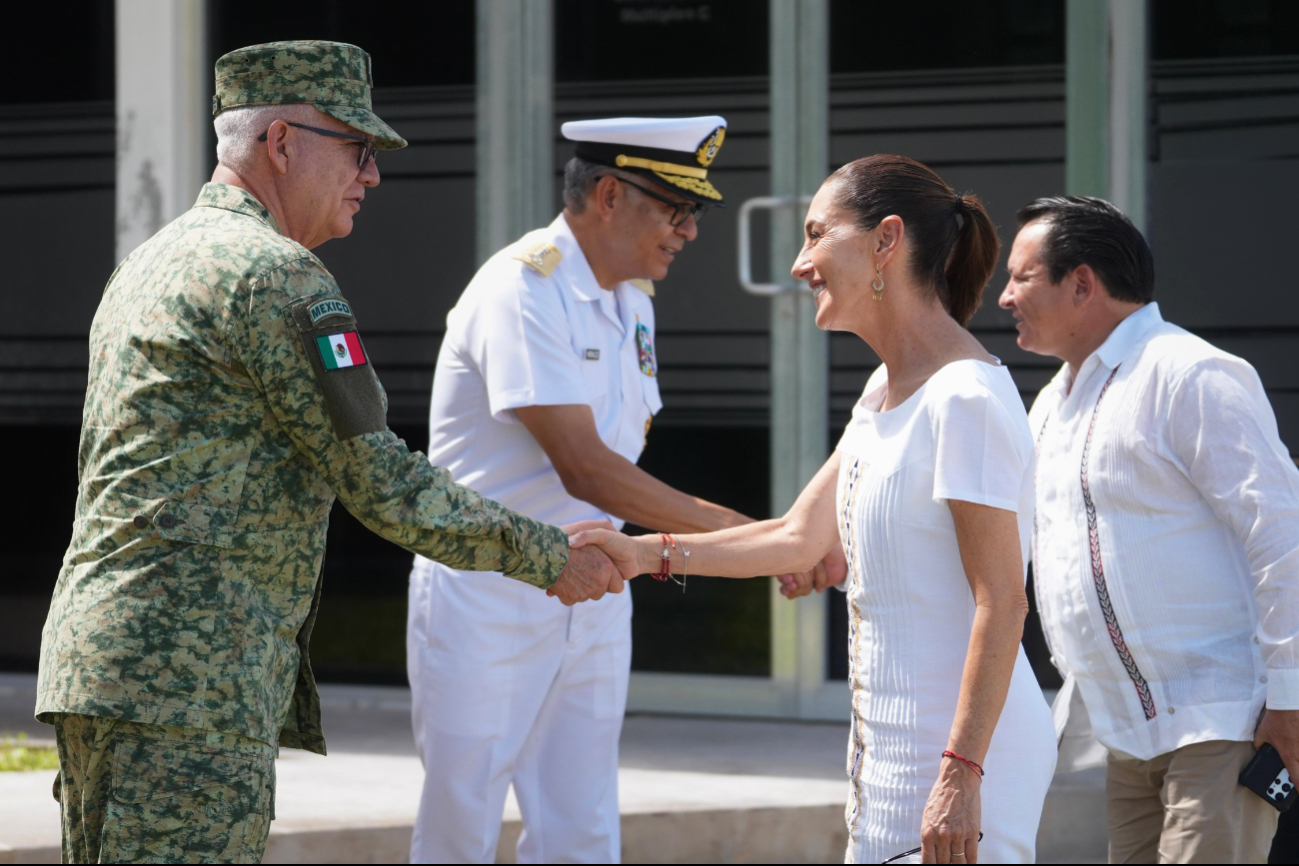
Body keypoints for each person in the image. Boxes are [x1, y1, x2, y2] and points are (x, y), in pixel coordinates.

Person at [35, 41, 621, 866]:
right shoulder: (276, 276)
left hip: (108, 665)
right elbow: (377, 478)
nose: (371, 176)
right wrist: (546, 555)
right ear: (281, 142)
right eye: (358, 149)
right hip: (189, 684)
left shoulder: (152, 260)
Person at [573, 154, 1058, 864]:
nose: (799, 264)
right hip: (890, 758)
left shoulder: (966, 398)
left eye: (814, 234)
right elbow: (800, 538)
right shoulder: (882, 390)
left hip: (964, 762)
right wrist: (646, 551)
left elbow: (1002, 603)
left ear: (884, 241)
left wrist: (959, 775)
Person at [405, 115, 843, 864]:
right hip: (492, 591)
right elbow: (587, 468)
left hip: (595, 588)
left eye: (693, 213)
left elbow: (610, 466)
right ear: (608, 194)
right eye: (675, 209)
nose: (688, 231)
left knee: (581, 822)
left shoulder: (629, 299)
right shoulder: (522, 287)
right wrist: (762, 540)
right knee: (461, 822)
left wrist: (764, 541)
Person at [999, 195, 1299, 864]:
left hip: (1223, 718)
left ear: (1081, 283)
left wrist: (1290, 697)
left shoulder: (1190, 374)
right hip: (1126, 733)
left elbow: (1281, 536)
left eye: (1019, 276)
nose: (1003, 297)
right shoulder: (1053, 400)